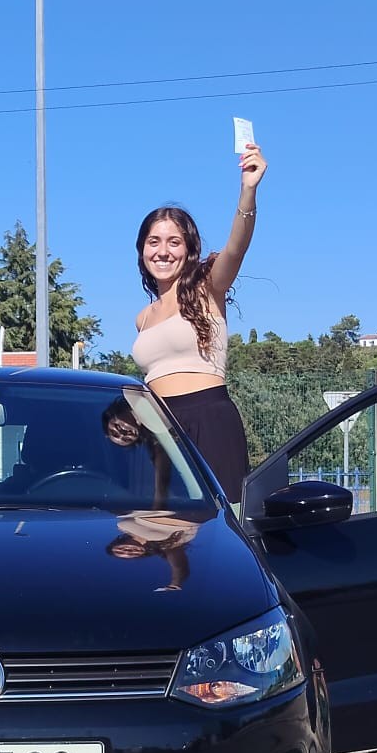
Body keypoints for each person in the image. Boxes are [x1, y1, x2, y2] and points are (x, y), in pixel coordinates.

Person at [131, 143, 267, 503]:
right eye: (154, 241)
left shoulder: (209, 286)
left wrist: (248, 191)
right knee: (156, 524)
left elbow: (236, 248)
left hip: (209, 419)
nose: (163, 251)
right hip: (157, 427)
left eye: (174, 242)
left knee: (217, 522)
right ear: (142, 250)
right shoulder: (143, 317)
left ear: (189, 249)